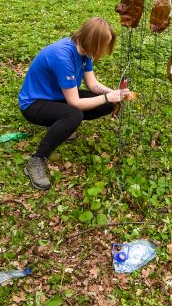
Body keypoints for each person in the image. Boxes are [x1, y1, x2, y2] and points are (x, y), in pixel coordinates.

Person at [18, 17, 131, 190]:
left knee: (105, 104)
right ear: (94, 42)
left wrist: (115, 94)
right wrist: (109, 97)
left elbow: (93, 85)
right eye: (104, 45)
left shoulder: (84, 51)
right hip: (34, 103)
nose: (105, 50)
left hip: (57, 95)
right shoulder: (63, 56)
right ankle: (36, 161)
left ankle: (62, 127)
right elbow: (74, 102)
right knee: (74, 115)